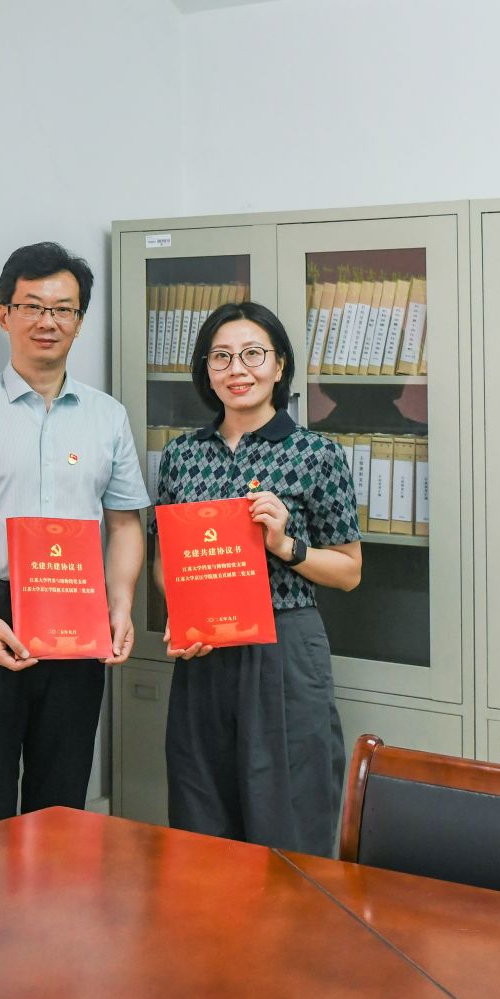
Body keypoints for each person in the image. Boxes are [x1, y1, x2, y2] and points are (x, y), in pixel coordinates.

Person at [0, 242, 148, 831]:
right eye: (33, 306)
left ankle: (57, 897)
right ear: (5, 314)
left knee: (62, 797)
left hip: (78, 613)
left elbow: (124, 522)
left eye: (63, 309)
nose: (48, 321)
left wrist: (120, 604)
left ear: (79, 321)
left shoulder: (107, 417)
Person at [154, 300, 362, 856]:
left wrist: (286, 546)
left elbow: (349, 571)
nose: (237, 369)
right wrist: (181, 613)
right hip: (204, 651)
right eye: (221, 357)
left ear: (279, 364)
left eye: (252, 354)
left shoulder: (316, 454)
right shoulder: (180, 456)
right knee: (201, 818)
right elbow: (164, 560)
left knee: (288, 815)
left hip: (283, 645)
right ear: (206, 370)